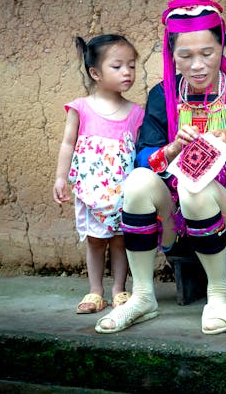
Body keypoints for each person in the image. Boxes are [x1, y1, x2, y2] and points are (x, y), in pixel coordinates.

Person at [94, 0, 226, 335]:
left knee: (194, 186)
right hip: (175, 222)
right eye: (185, 56)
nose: (197, 65)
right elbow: (142, 157)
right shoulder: (162, 96)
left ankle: (219, 293)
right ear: (171, 55)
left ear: (222, 47)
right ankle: (142, 296)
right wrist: (171, 150)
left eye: (207, 53)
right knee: (137, 182)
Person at [53, 34, 145, 314]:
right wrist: (60, 177)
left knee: (120, 240)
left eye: (131, 66)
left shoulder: (135, 112)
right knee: (95, 240)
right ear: (95, 72)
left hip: (123, 190)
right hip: (91, 190)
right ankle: (95, 291)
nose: (127, 72)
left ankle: (119, 289)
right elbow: (68, 143)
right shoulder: (81, 108)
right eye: (117, 66)